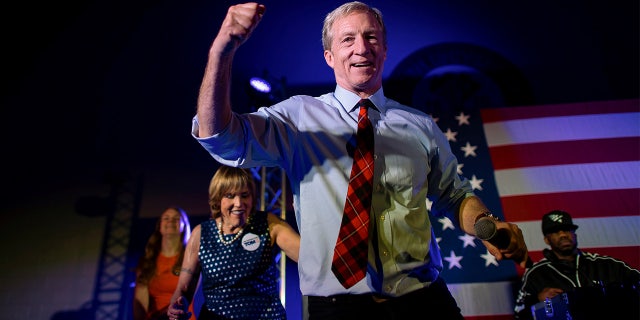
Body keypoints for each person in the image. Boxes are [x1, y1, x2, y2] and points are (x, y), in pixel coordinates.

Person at [187, 2, 530, 319]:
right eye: (348, 39)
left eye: (371, 37)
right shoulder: (298, 117)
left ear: (384, 49)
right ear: (329, 56)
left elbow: (454, 197)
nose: (362, 48)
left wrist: (485, 222)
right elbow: (221, 137)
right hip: (338, 310)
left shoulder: (420, 125)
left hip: (424, 301)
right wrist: (222, 52)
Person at [167, 165, 300, 320]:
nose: (239, 203)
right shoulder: (201, 233)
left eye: (245, 195)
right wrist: (178, 305)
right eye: (230, 196)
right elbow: (183, 288)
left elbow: (309, 256)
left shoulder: (267, 224)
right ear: (218, 199)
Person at [514, 210, 640, 320]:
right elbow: (519, 313)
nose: (563, 235)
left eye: (567, 229)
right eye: (556, 232)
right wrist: (538, 300)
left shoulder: (606, 265)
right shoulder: (536, 274)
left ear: (575, 233)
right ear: (547, 239)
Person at [133, 206, 196, 320]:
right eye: (166, 218)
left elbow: (185, 296)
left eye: (176, 218)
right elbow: (140, 301)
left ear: (184, 226)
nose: (170, 221)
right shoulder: (147, 261)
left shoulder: (191, 259)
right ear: (160, 226)